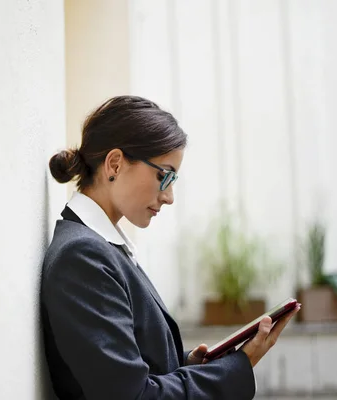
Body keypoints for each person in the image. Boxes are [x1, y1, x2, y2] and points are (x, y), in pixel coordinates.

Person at [40, 95, 300, 400]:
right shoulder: (82, 257)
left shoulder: (101, 247)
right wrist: (237, 367)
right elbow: (133, 396)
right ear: (115, 164)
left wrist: (189, 365)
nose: (169, 197)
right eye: (164, 176)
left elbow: (129, 367)